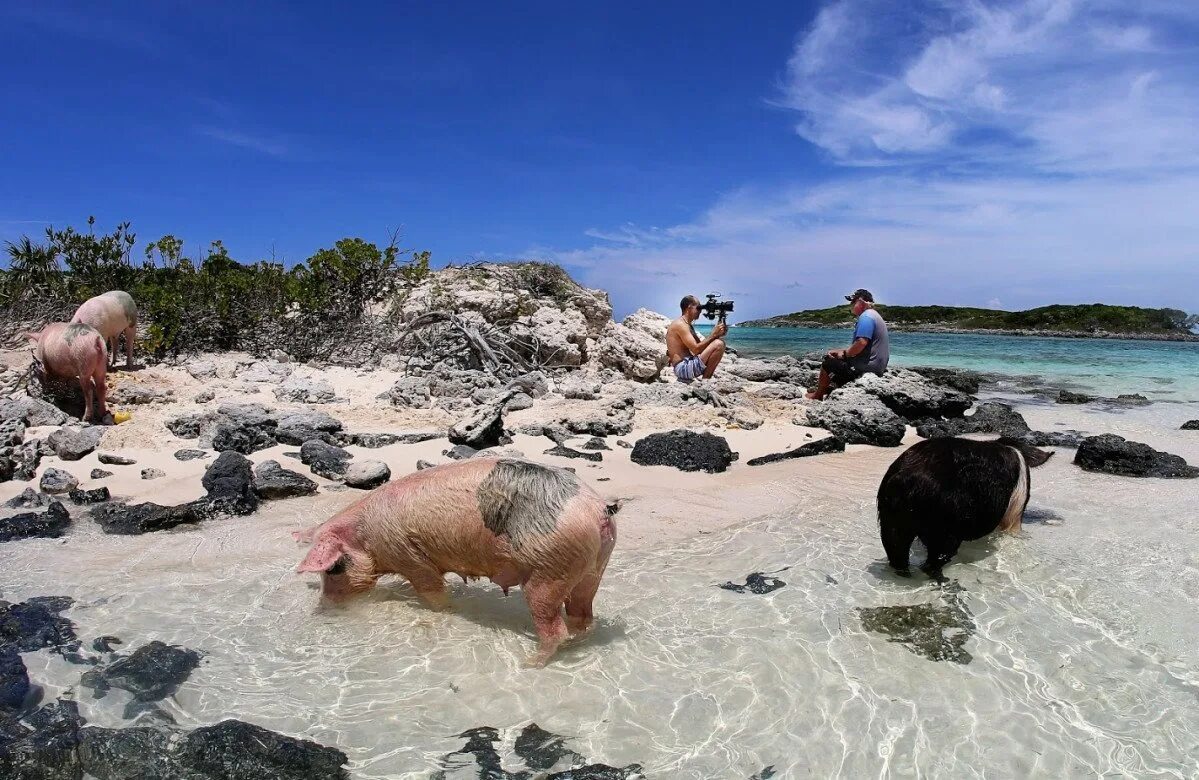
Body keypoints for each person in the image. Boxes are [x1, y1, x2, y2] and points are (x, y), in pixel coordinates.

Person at [806, 288, 890, 400]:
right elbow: (864, 347)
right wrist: (843, 352)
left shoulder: (866, 317)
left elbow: (861, 343)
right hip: (877, 367)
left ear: (860, 301)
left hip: (866, 368)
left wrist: (844, 355)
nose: (851, 305)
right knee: (838, 358)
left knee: (827, 362)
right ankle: (829, 388)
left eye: (853, 302)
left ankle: (818, 395)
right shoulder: (874, 315)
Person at [666, 295, 727, 382]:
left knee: (719, 343)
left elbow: (702, 348)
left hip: (687, 365)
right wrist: (713, 335)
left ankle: (705, 382)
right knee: (719, 344)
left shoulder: (687, 324)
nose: (700, 311)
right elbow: (696, 349)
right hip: (682, 368)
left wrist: (718, 333)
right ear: (689, 307)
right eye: (698, 308)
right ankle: (706, 382)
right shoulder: (680, 325)